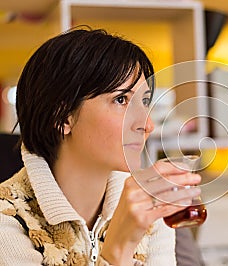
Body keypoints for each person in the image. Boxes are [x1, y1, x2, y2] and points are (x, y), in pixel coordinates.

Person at [0, 27, 202, 265]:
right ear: (63, 118)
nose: (147, 125)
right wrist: (117, 251)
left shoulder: (148, 214)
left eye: (145, 102)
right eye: (121, 99)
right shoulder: (9, 222)